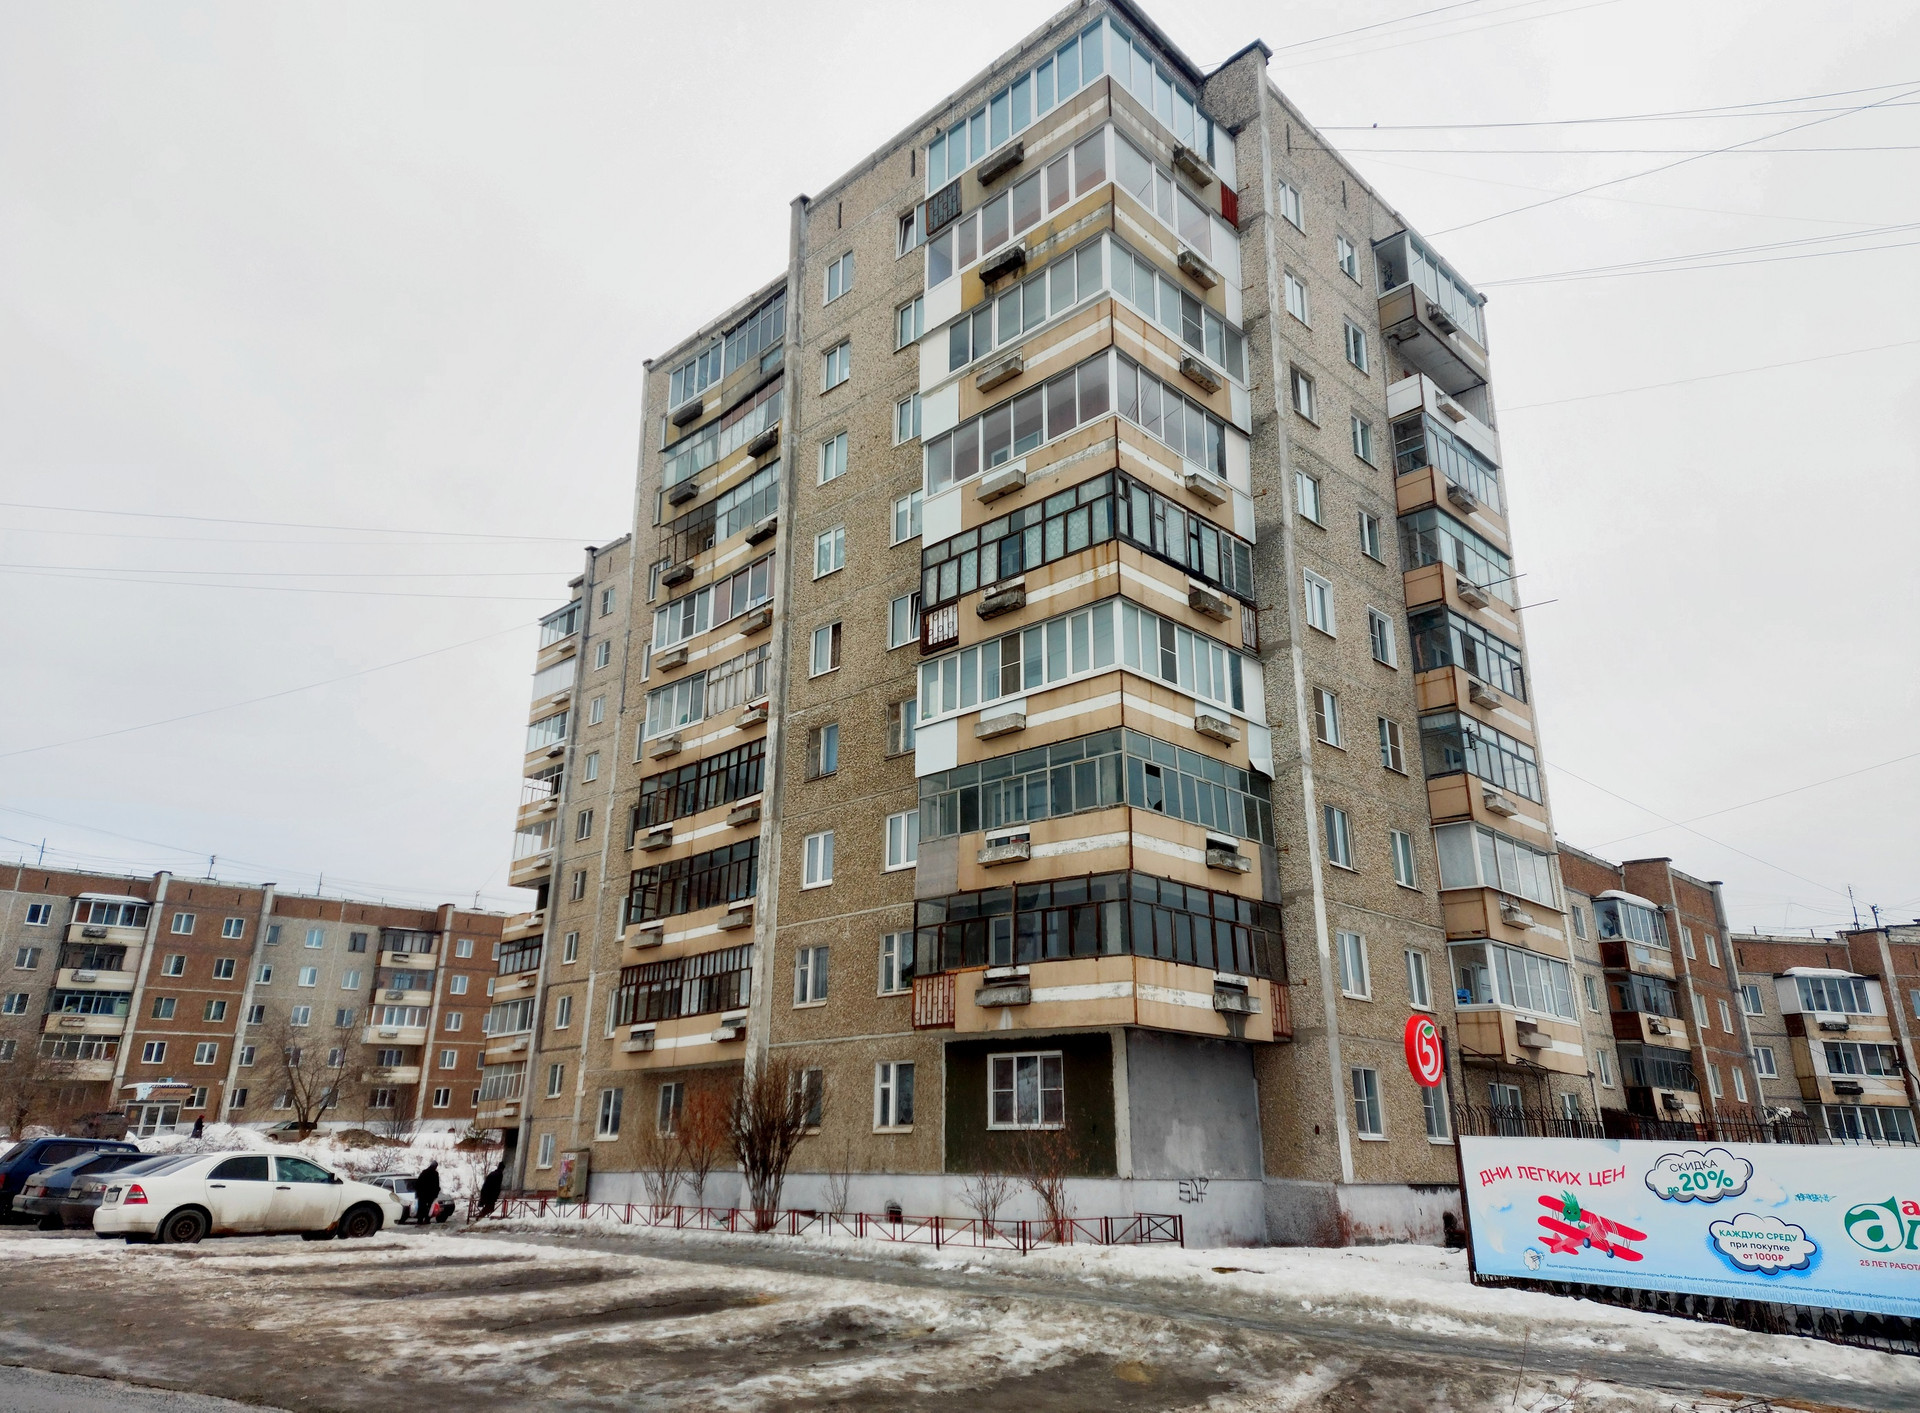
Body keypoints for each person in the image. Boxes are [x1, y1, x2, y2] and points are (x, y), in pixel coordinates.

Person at [412, 1160, 440, 1226]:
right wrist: (436, 1193)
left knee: (421, 1207)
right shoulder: (435, 1174)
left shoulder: (424, 1172)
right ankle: (427, 1219)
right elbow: (436, 1185)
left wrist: (417, 1192)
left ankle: (420, 1220)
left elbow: (418, 1182)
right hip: (430, 1194)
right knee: (429, 1207)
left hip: (422, 1194)